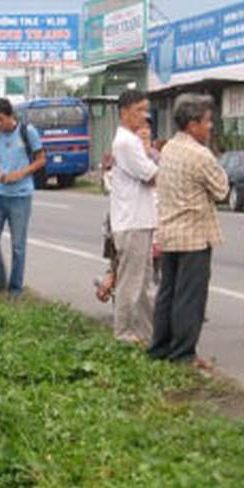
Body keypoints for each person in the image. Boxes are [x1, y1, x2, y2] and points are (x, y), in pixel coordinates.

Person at [147, 94, 230, 369]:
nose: (210, 127)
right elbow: (222, 190)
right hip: (194, 235)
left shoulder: (169, 148)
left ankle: (160, 346)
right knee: (190, 298)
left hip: (170, 232)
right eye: (207, 122)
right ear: (193, 124)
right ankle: (183, 353)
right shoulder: (200, 154)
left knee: (168, 293)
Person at [107, 89, 159, 345]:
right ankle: (124, 332)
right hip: (132, 222)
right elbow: (151, 174)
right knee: (131, 282)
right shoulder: (126, 142)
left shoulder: (132, 141)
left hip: (142, 220)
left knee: (146, 283)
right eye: (138, 110)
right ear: (124, 112)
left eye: (145, 110)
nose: (143, 115)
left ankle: (150, 334)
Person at [0, 97, 45, 298]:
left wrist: (21, 174)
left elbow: (41, 159)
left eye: (1, 120)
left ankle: (15, 290)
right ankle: (0, 278)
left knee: (18, 246)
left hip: (21, 196)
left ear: (11, 117)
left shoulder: (28, 132)